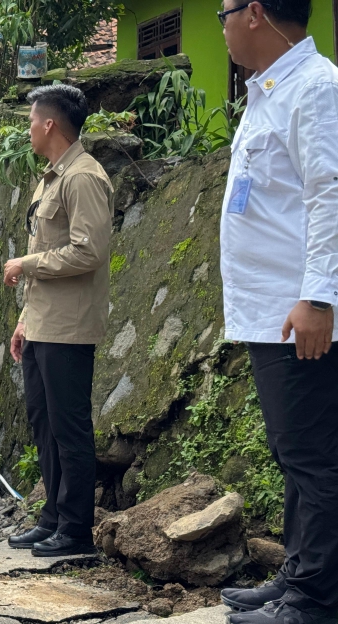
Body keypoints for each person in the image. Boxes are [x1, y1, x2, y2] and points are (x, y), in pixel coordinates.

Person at [215, 1, 338, 620]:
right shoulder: (268, 92)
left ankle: (316, 599)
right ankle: (299, 575)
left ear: (255, 13)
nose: (223, 24)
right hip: (269, 311)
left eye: (223, 12)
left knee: (316, 459)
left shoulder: (316, 89)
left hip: (302, 312)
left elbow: (330, 194)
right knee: (296, 456)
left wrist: (320, 297)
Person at [2, 85, 113, 557]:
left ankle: (76, 529)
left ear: (49, 125)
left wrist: (26, 263)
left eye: (31, 121)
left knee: (70, 428)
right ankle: (52, 517)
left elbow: (89, 251)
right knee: (43, 423)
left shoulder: (83, 177)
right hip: (43, 322)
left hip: (69, 327)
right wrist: (24, 319)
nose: (28, 130)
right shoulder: (51, 177)